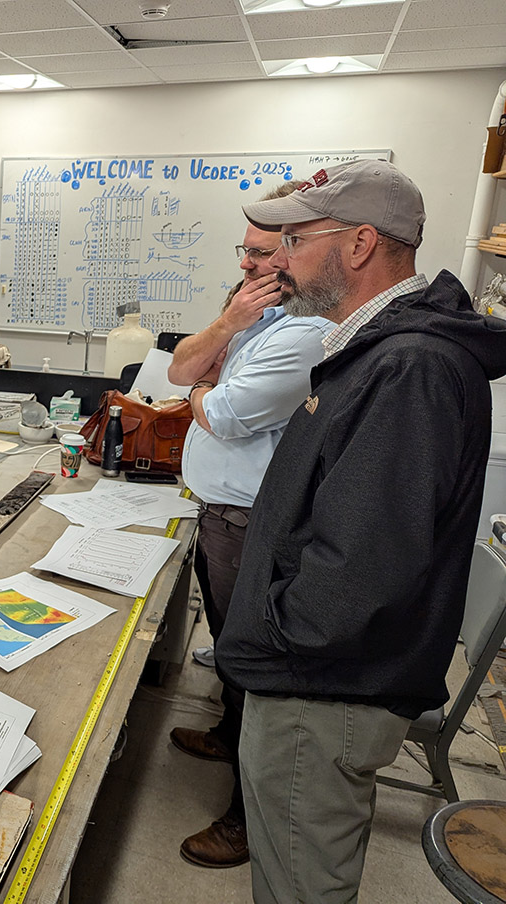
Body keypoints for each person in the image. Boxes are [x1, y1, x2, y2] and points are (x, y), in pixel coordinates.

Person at [215, 160, 506, 902]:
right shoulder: (385, 348)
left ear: (360, 244)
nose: (276, 261)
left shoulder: (409, 366)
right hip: (321, 679)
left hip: (321, 689)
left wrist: (276, 639)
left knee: (301, 887)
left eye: (295, 240)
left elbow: (360, 568)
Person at [165, 182, 333, 869]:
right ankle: (224, 730)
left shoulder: (307, 333)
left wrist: (204, 388)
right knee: (231, 655)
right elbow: (179, 367)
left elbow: (223, 412)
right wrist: (227, 331)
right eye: (247, 252)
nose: (250, 267)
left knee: (254, 670)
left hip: (250, 520)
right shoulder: (254, 317)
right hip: (218, 513)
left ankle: (244, 818)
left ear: (297, 257)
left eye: (264, 255)